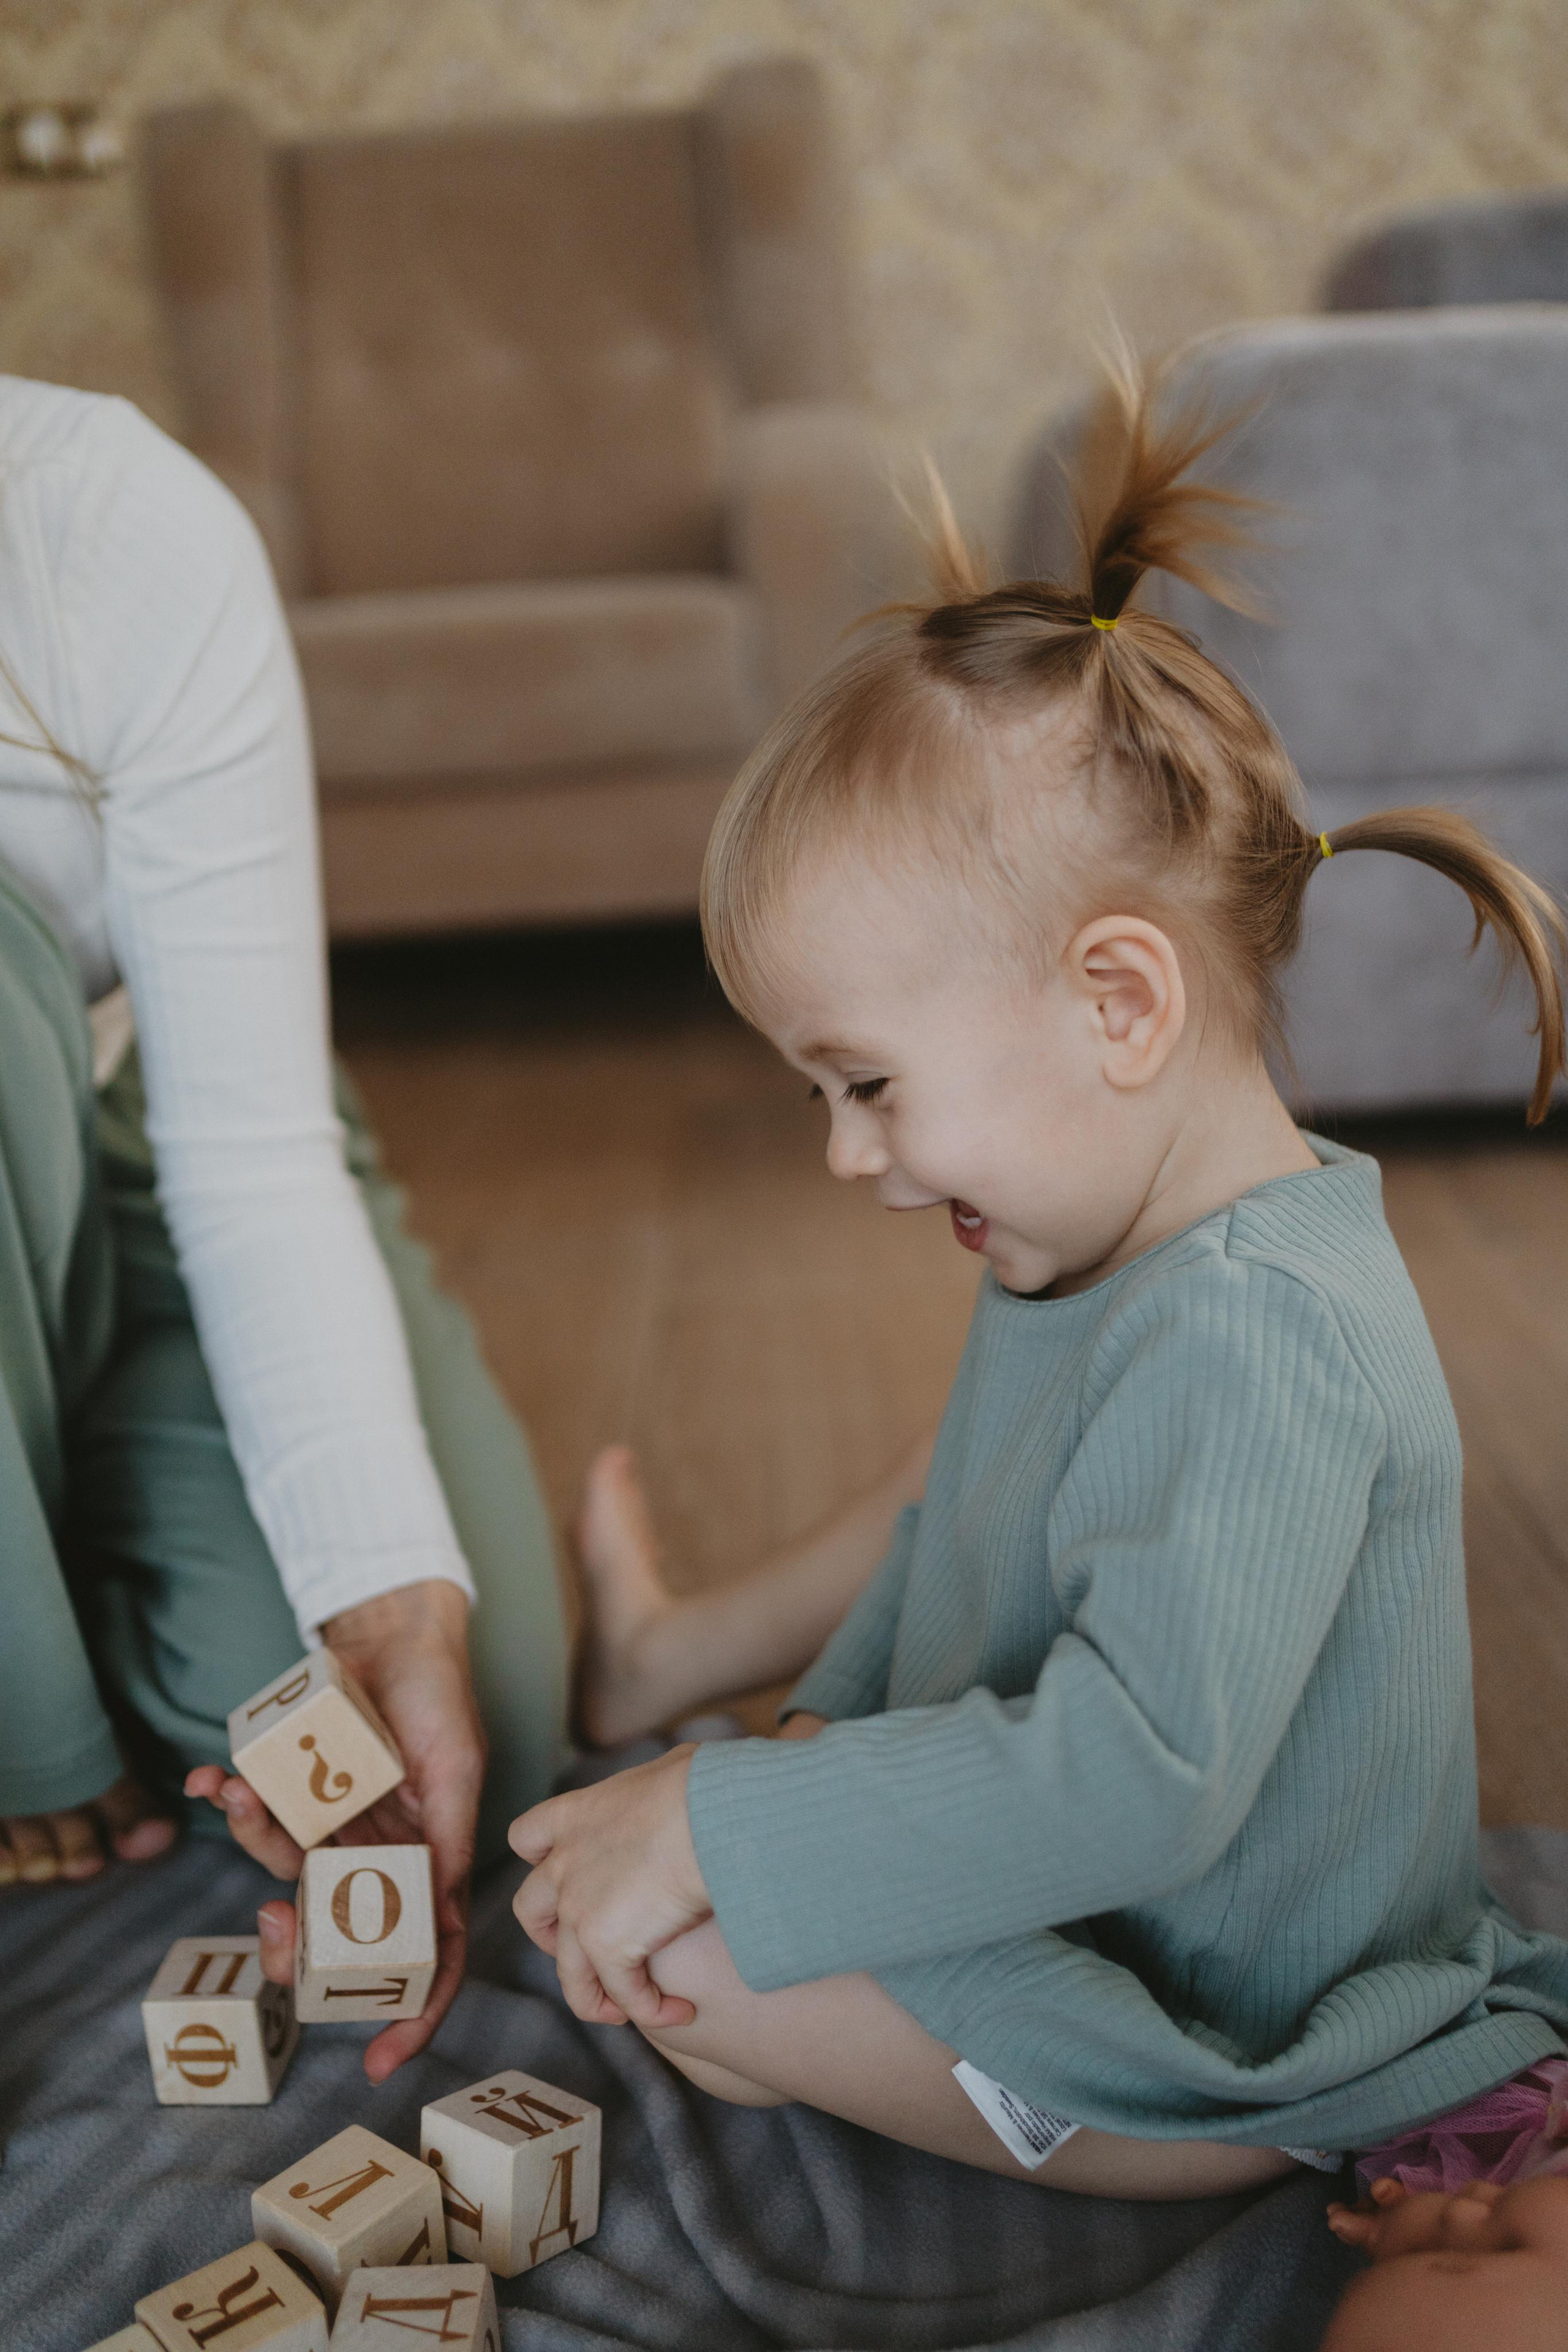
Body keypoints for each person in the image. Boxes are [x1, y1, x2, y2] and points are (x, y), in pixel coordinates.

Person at [508, 364, 1568, 2199]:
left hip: (1232, 2021)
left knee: (682, 1948)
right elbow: (959, 1550)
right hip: (1114, 1919)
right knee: (710, 1886)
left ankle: (1126, 2132)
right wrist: (802, 1754)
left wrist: (730, 1820)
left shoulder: (1263, 1338)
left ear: (1120, 1004)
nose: (850, 1156)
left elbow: (1141, 1775)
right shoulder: (1104, 1245)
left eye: (869, 1086)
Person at [0, 376, 567, 2081]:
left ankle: (67, 1514)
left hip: (134, 1129)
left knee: (478, 1731)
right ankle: (41, 1684)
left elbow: (243, 1148)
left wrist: (383, 1591)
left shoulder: (108, 522)